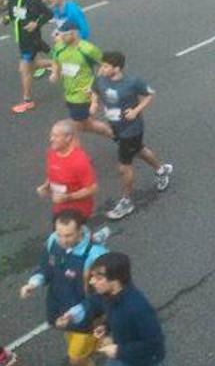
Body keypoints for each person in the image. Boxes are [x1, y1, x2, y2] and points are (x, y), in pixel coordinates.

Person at [19, 210, 108, 366]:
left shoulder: (97, 256)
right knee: (74, 345)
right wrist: (34, 283)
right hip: (60, 310)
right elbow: (46, 267)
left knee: (76, 359)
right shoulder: (53, 240)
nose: (63, 240)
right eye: (59, 234)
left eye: (68, 235)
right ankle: (96, 345)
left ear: (80, 230)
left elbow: (103, 296)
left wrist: (75, 313)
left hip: (86, 318)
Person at [91, 51, 173, 220]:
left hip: (131, 129)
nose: (102, 68)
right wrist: (93, 104)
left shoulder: (132, 82)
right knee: (140, 150)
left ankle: (127, 201)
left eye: (106, 66)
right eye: (102, 65)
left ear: (117, 68)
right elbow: (95, 91)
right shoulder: (100, 79)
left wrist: (136, 110)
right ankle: (161, 170)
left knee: (124, 167)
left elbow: (150, 95)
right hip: (115, 127)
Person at [60, 252, 165, 366]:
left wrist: (119, 351)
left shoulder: (138, 308)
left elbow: (154, 344)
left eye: (98, 278)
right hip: (121, 354)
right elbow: (96, 304)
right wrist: (106, 326)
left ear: (115, 281)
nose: (91, 281)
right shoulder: (108, 294)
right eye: (92, 276)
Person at [49, 20, 114, 138]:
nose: (61, 37)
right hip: (69, 93)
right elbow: (55, 59)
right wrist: (55, 73)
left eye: (64, 35)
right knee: (87, 125)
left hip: (83, 95)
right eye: (60, 34)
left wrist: (94, 85)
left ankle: (72, 152)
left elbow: (106, 65)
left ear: (74, 33)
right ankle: (116, 136)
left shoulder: (88, 49)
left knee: (74, 128)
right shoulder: (59, 47)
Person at [3, 0, 53, 112]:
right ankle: (60, 64)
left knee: (24, 69)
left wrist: (37, 23)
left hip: (31, 40)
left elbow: (49, 14)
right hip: (22, 39)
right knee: (36, 64)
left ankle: (27, 100)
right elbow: (13, 14)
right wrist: (6, 20)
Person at [37, 120, 99, 221]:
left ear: (68, 137)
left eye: (56, 136)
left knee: (68, 235)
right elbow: (53, 173)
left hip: (77, 210)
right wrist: (46, 186)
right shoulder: (51, 153)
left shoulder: (79, 161)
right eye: (51, 135)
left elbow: (92, 188)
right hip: (59, 206)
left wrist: (67, 197)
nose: (51, 139)